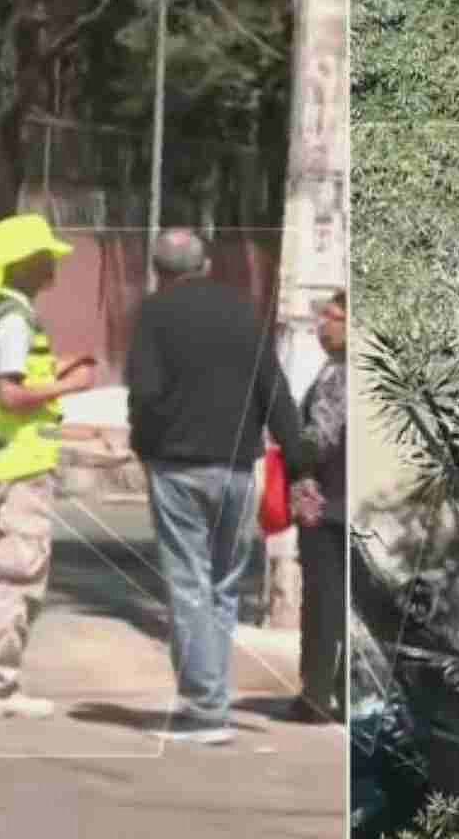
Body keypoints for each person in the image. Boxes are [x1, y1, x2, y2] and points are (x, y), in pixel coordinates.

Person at [126, 227, 306, 745]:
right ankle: (211, 698)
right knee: (223, 587)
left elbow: (146, 393)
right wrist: (298, 460)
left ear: (161, 270)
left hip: (178, 468)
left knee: (188, 583)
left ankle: (205, 708)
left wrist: (145, 444)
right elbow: (273, 387)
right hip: (237, 470)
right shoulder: (243, 312)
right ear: (205, 264)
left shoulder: (156, 314)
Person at [0, 214, 97, 719]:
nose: (54, 262)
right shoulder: (13, 319)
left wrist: (55, 367)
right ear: (28, 263)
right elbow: (10, 395)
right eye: (46, 254)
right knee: (17, 575)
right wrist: (67, 387)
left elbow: (8, 378)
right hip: (20, 463)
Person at [288, 289, 348, 723]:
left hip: (328, 508)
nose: (322, 325)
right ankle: (346, 693)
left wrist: (288, 449)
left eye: (332, 316)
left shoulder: (340, 375)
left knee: (323, 603)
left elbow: (319, 440)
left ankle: (316, 694)